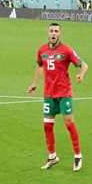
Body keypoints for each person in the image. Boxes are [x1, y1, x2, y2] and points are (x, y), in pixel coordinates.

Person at [27, 22, 87, 171]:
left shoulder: (66, 50)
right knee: (47, 125)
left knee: (68, 123)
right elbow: (40, 66)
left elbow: (83, 65)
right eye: (51, 31)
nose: (53, 34)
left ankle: (78, 156)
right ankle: (52, 156)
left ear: (60, 34)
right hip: (49, 93)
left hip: (64, 92)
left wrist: (81, 74)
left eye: (56, 31)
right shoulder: (42, 50)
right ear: (48, 34)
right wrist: (35, 83)